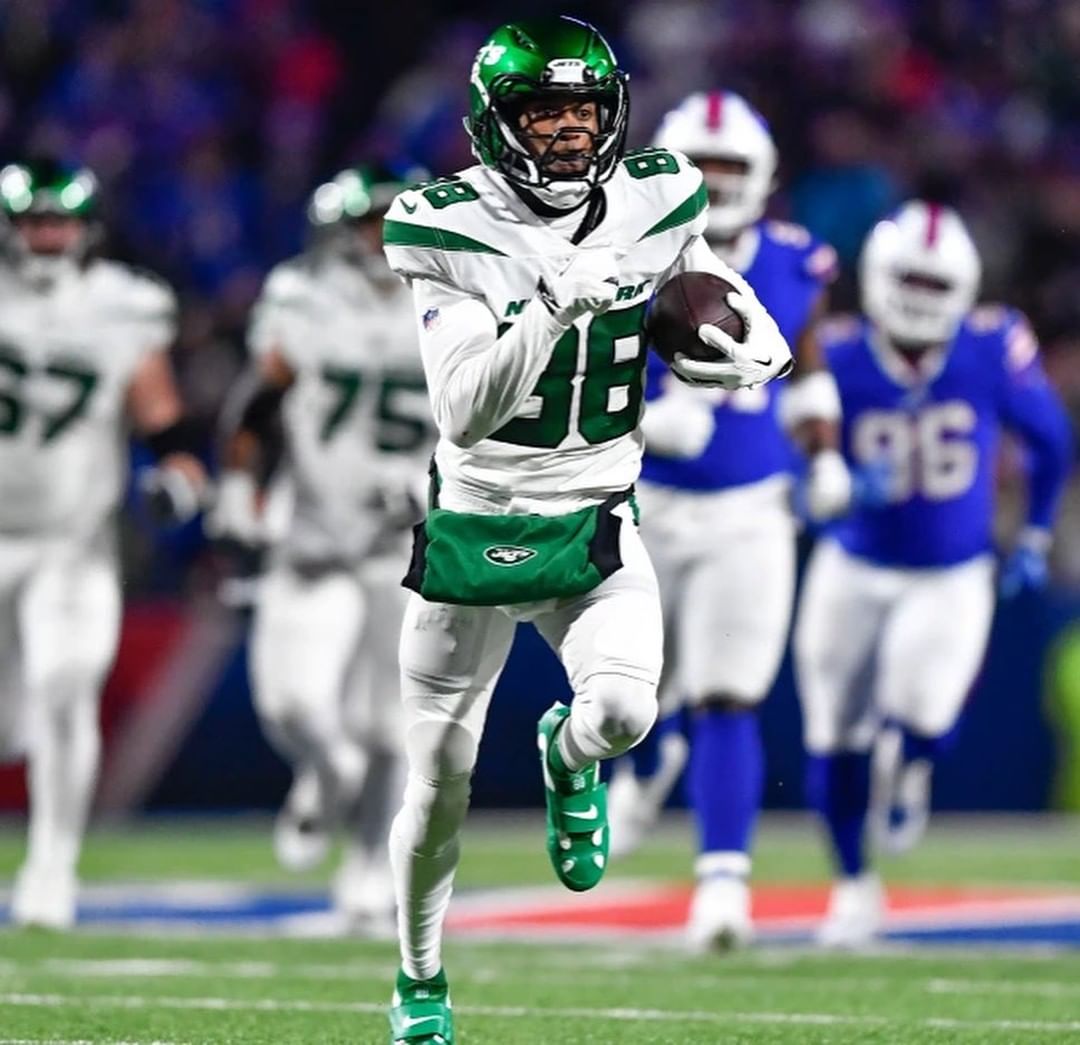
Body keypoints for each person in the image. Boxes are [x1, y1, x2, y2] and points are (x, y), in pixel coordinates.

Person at [380, 19, 794, 1044]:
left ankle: (569, 762)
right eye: (543, 114)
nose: (567, 132)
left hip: (594, 517)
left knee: (623, 713)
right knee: (438, 784)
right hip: (476, 522)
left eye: (581, 111)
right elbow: (463, 410)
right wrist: (549, 311)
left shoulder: (659, 195)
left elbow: (699, 282)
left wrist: (740, 338)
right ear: (495, 124)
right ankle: (419, 979)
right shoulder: (444, 227)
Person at [605, 90, 846, 952]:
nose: (715, 178)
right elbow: (575, 376)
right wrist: (643, 419)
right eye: (701, 164)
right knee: (624, 688)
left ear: (764, 173)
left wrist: (824, 454)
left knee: (728, 693)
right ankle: (646, 758)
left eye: (730, 165)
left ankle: (722, 879)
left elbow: (808, 369)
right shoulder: (622, 251)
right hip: (641, 501)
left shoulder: (795, 259)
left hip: (750, 509)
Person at [794, 200, 1072, 948]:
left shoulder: (990, 344)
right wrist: (831, 487)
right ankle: (853, 883)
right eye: (909, 279)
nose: (919, 296)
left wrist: (1037, 530)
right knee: (833, 732)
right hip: (852, 563)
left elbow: (1051, 438)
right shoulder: (838, 352)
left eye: (933, 281)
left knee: (924, 713)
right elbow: (787, 467)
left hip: (950, 572)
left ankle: (911, 763)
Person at [210, 166, 435, 929]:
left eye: (390, 220)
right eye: (367, 222)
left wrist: (437, 485)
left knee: (392, 721)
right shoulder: (302, 298)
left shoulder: (458, 298)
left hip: (406, 540)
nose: (378, 237)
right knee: (291, 701)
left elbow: (492, 418)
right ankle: (324, 767)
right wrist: (239, 483)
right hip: (312, 530)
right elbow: (258, 399)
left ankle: (370, 863)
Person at [0, 158, 205, 929]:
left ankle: (52, 864)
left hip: (70, 542)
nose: (47, 237)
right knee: (10, 724)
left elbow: (162, 416)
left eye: (59, 222)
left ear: (85, 230)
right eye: (34, 222)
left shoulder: (123, 307)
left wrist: (179, 476)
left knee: (66, 684)